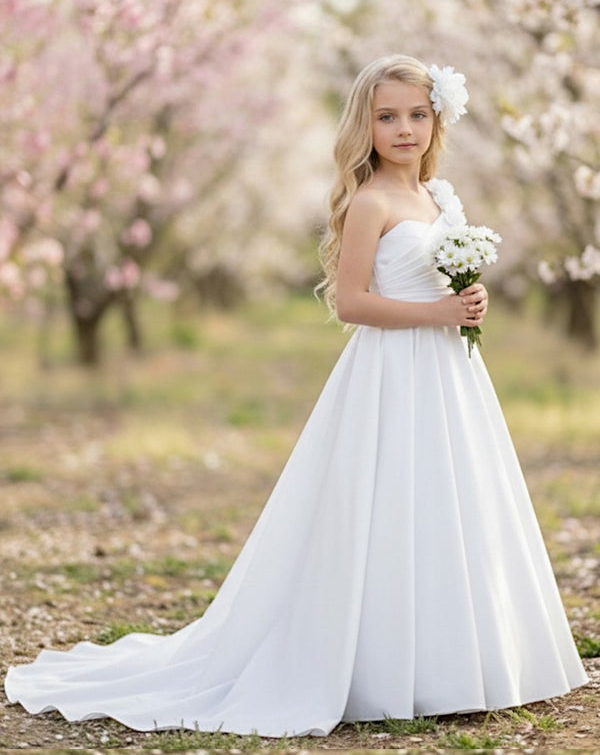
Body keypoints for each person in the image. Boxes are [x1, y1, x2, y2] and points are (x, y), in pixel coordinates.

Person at [5, 54, 588, 737]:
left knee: (448, 498)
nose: (404, 129)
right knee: (389, 501)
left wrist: (467, 299)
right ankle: (379, 663)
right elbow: (351, 302)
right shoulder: (370, 202)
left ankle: (461, 658)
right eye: (387, 117)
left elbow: (436, 283)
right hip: (391, 373)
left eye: (417, 115)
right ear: (364, 128)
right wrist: (436, 315)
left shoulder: (439, 198)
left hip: (448, 374)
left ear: (437, 121)